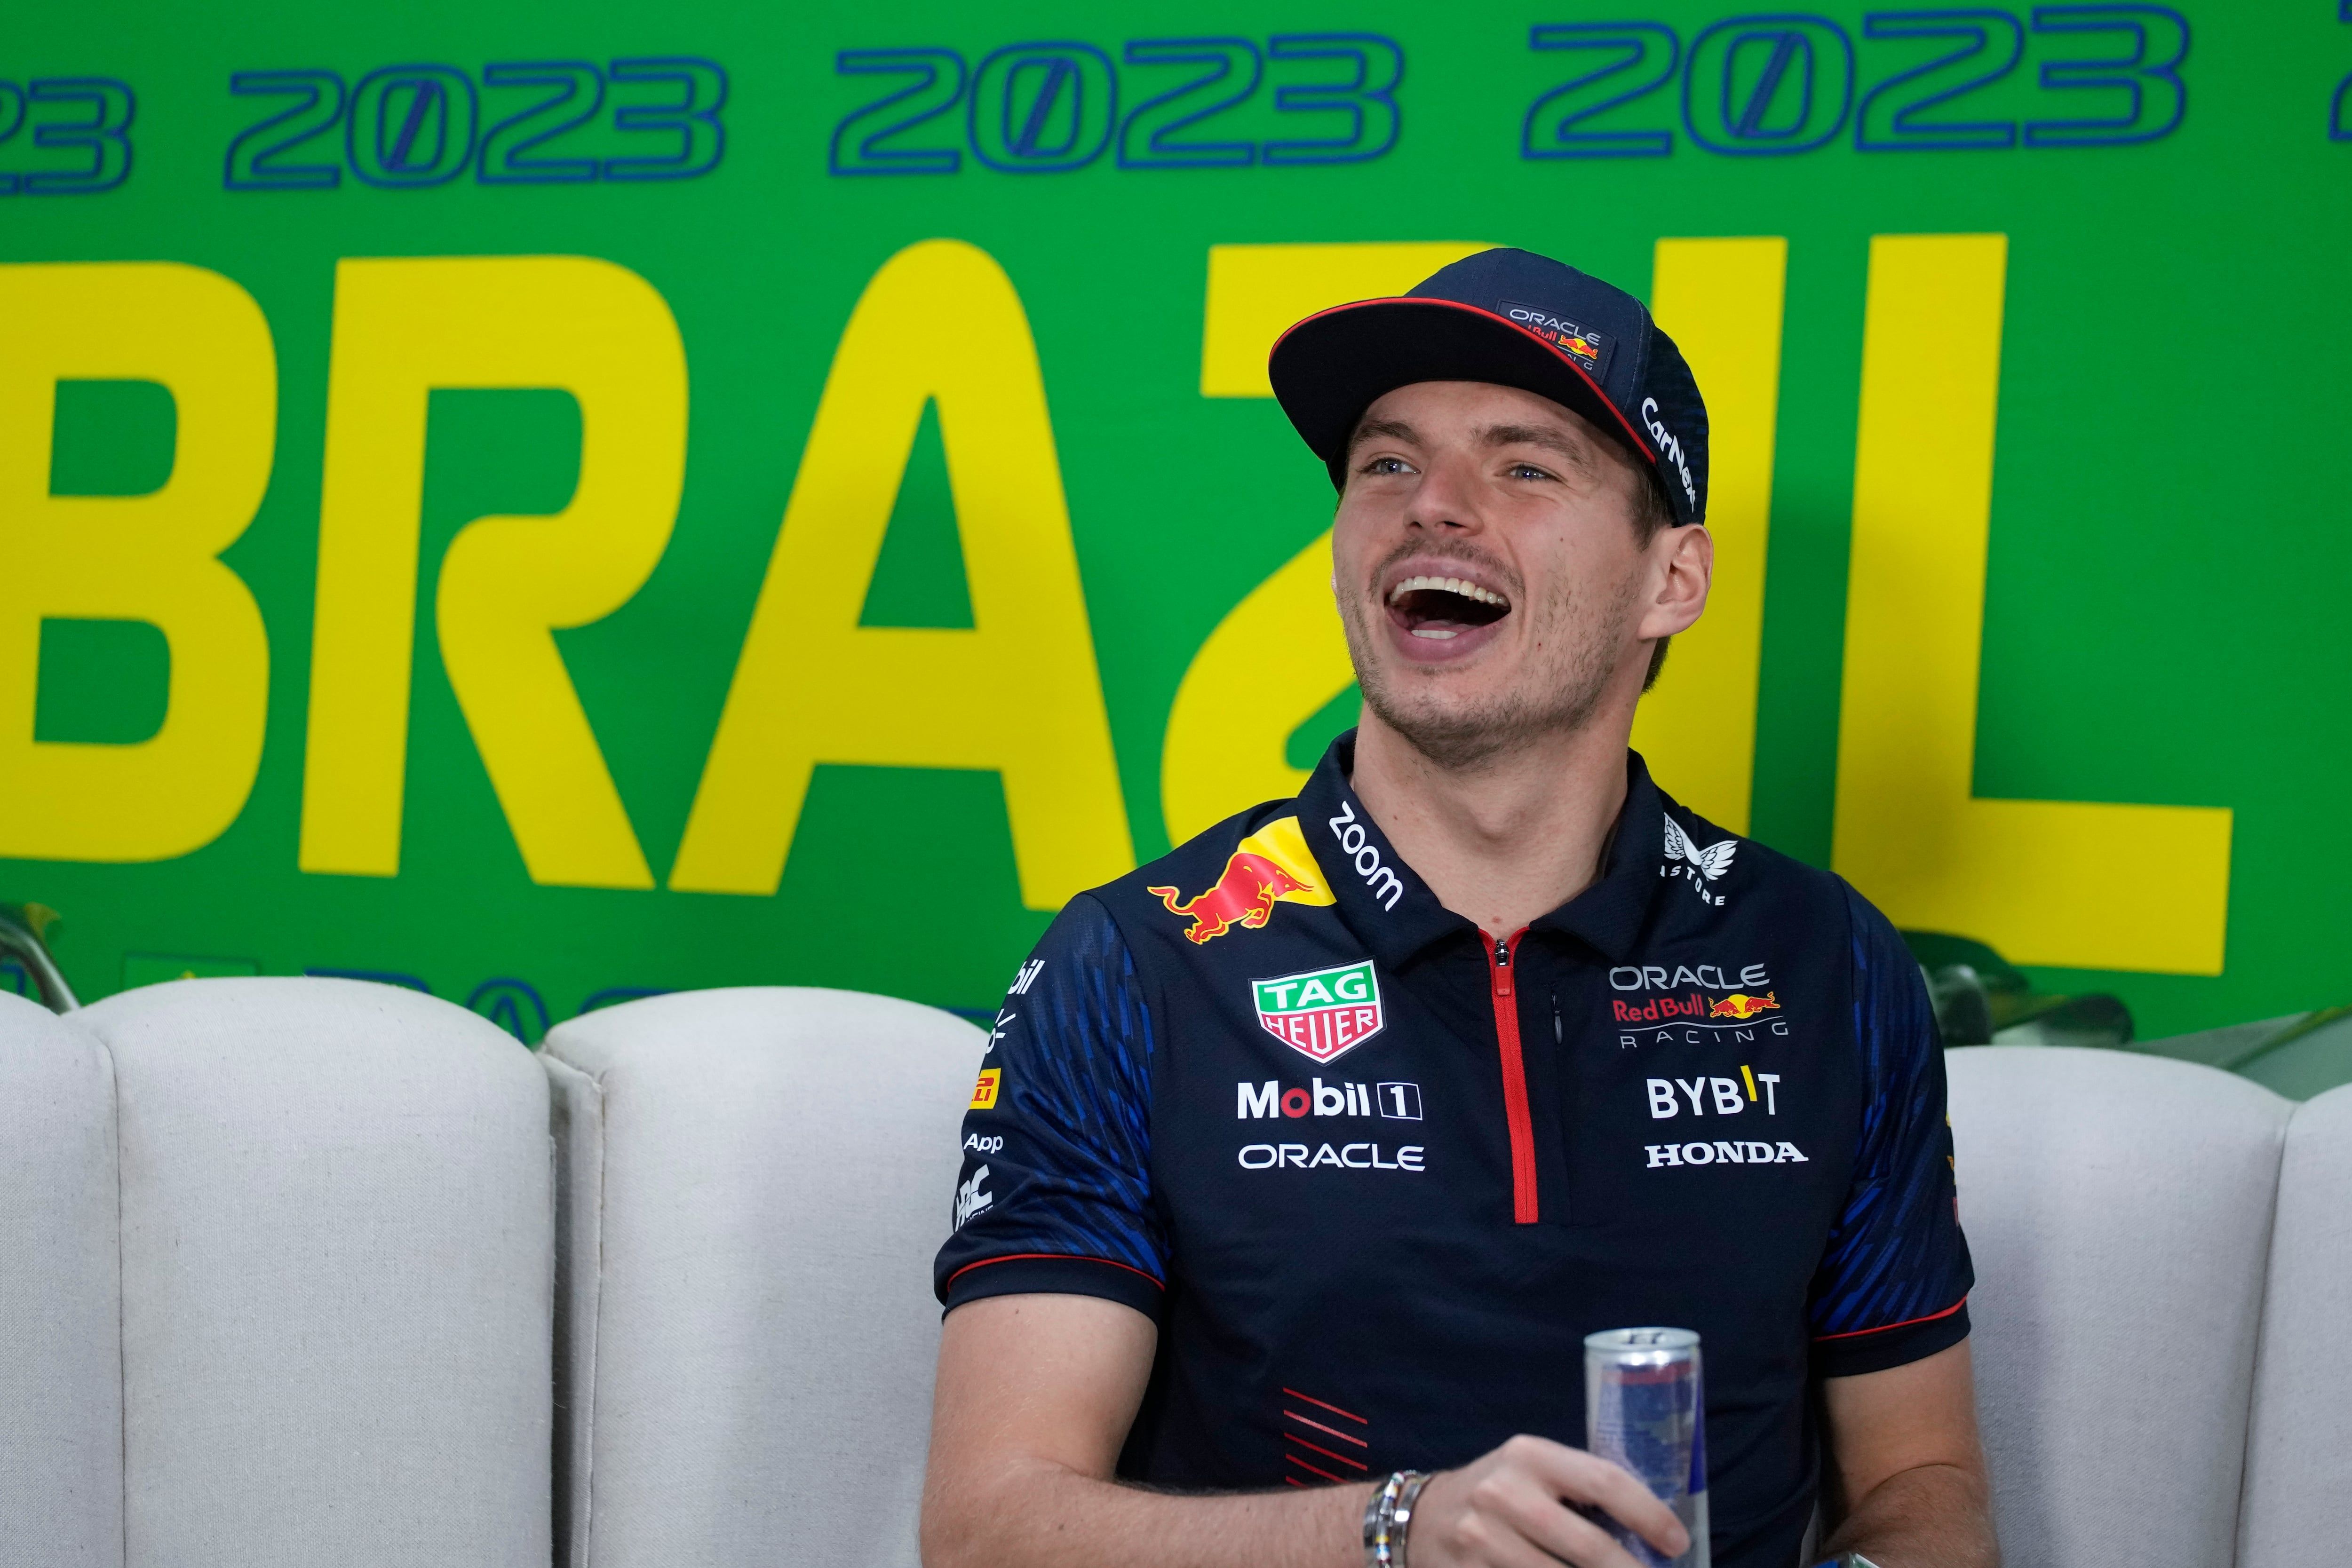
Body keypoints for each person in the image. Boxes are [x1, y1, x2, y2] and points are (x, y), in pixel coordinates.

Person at [922, 248, 1995, 1568]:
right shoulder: (1140, 962)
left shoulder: (1825, 960)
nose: (1433, 507)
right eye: (1387, 464)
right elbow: (991, 1527)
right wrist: (1399, 1530)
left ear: (1675, 580)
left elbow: (1927, 1478)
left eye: (1524, 466)